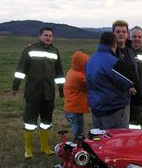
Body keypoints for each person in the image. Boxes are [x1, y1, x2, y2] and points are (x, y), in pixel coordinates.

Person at [12, 27, 64, 159]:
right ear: (39, 36)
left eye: (50, 36)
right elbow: (20, 70)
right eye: (45, 35)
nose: (48, 37)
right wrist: (15, 86)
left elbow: (59, 73)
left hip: (48, 93)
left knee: (46, 121)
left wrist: (61, 88)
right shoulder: (30, 50)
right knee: (30, 122)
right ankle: (28, 149)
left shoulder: (55, 51)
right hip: (33, 92)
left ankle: (45, 147)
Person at [86, 31, 136, 129]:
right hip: (113, 110)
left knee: (100, 140)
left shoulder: (90, 60)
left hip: (96, 109)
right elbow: (130, 79)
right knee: (116, 141)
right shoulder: (113, 62)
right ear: (114, 44)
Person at [112, 20, 141, 125]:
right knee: (119, 128)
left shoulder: (130, 50)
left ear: (127, 34)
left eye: (124, 32)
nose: (121, 34)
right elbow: (110, 74)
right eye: (118, 31)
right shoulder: (110, 52)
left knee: (132, 125)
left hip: (134, 95)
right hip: (118, 97)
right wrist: (126, 85)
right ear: (113, 34)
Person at [63, 50, 89, 139]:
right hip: (75, 110)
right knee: (79, 134)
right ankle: (77, 149)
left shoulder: (71, 71)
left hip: (70, 108)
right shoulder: (79, 77)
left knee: (77, 130)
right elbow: (90, 85)